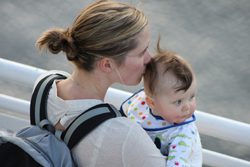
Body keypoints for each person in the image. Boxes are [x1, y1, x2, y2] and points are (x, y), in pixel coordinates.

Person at [35, 0, 166, 166]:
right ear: (107, 64)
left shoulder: (44, 85)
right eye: (141, 53)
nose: (150, 59)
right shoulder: (124, 135)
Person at [121, 42, 202, 166]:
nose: (187, 107)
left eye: (191, 97)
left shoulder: (183, 134)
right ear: (151, 103)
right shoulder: (141, 105)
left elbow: (177, 163)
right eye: (178, 101)